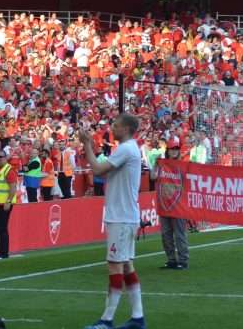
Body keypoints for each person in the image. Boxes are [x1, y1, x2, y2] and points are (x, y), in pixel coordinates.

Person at [78, 113, 147, 329]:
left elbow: (98, 171)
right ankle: (138, 318)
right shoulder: (129, 148)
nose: (112, 128)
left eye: (116, 126)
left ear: (125, 129)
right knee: (126, 266)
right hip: (124, 215)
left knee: (115, 267)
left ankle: (107, 320)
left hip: (122, 216)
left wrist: (87, 144)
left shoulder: (126, 149)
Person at [150, 140, 189, 270]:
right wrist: (155, 165)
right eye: (172, 149)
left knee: (179, 235)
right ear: (167, 151)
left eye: (176, 149)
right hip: (164, 205)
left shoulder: (182, 165)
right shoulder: (162, 165)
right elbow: (152, 177)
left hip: (178, 205)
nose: (174, 151)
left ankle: (183, 261)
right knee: (166, 236)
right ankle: (171, 260)